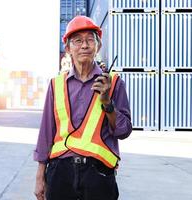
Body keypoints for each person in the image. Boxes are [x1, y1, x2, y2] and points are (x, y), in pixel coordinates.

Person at [34, 15, 132, 200]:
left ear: (98, 46)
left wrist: (107, 102)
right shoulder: (56, 85)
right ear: (68, 48)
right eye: (78, 41)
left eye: (89, 40)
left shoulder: (114, 83)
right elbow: (46, 133)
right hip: (60, 173)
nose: (84, 45)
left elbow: (124, 131)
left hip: (99, 174)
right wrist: (40, 176)